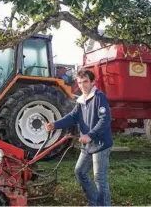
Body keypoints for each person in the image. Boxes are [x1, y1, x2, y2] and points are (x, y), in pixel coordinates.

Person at [46, 69, 113, 206]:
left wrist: (90, 135)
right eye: (80, 83)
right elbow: (72, 117)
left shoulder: (99, 97)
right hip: (87, 145)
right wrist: (55, 125)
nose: (83, 86)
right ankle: (94, 201)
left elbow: (104, 120)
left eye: (85, 82)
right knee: (80, 171)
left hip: (100, 144)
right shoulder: (81, 100)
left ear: (92, 82)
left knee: (99, 179)